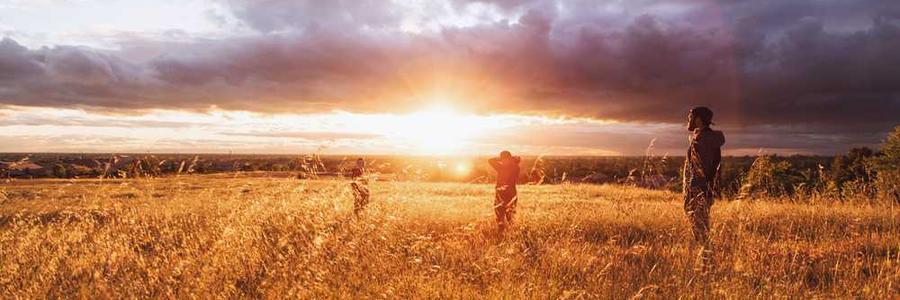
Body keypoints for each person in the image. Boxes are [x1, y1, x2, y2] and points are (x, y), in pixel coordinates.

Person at [683, 107, 725, 247]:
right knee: (699, 222)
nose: (688, 119)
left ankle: (705, 252)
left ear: (699, 119)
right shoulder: (701, 137)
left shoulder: (705, 140)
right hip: (700, 188)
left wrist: (697, 189)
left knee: (700, 224)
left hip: (700, 188)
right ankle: (703, 250)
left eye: (690, 117)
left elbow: (704, 169)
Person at [489, 151, 521, 233]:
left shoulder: (514, 168)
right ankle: (501, 231)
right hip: (500, 194)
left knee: (510, 215)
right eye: (502, 159)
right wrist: (504, 159)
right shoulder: (501, 167)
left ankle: (511, 233)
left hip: (510, 194)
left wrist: (509, 159)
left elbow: (491, 160)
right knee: (499, 214)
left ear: (509, 159)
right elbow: (490, 160)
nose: (504, 161)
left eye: (505, 159)